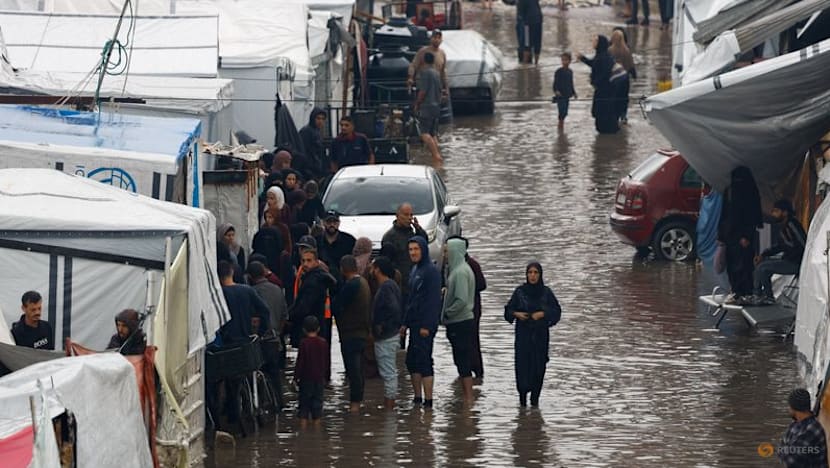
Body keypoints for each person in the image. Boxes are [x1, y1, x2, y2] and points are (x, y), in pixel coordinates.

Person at [504, 262, 562, 407]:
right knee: (522, 368)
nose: (533, 276)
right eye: (530, 272)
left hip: (540, 337)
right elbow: (508, 311)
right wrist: (517, 314)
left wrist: (543, 314)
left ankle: (535, 406)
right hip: (523, 337)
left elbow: (556, 311)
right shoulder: (519, 292)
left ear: (540, 275)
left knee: (538, 368)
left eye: (536, 273)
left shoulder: (546, 293)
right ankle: (522, 405)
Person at [402, 236, 442, 409]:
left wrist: (427, 325)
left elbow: (433, 301)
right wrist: (404, 323)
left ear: (423, 250)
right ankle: (417, 398)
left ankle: (429, 401)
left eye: (416, 249)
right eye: (410, 250)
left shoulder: (431, 272)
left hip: (425, 325)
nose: (413, 253)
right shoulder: (415, 270)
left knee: (424, 361)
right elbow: (411, 299)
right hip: (413, 324)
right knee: (411, 361)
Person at [332, 255, 372, 413]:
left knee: (353, 370)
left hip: (352, 333)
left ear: (343, 269)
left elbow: (337, 305)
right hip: (361, 333)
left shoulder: (352, 285)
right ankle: (358, 402)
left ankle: (354, 405)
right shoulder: (363, 282)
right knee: (359, 370)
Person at [719, 167, 763, 303]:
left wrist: (746, 235)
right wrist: (721, 235)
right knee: (734, 264)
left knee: (744, 264)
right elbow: (725, 214)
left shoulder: (747, 192)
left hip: (742, 236)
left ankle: (745, 292)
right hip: (731, 235)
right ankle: (737, 291)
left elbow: (751, 216)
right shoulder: (730, 191)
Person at [442, 238, 476, 405]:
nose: (444, 255)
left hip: (460, 321)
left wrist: (447, 313)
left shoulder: (461, 272)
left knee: (463, 361)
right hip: (460, 320)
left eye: (446, 251)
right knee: (461, 360)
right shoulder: (458, 270)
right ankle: (466, 397)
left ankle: (468, 398)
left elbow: (461, 300)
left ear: (455, 251)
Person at [752, 200, 807, 304]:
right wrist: (763, 255)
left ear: (785, 213)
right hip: (788, 259)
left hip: (795, 262)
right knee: (763, 267)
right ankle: (764, 295)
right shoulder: (783, 226)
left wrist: (794, 256)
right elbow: (780, 246)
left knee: (763, 268)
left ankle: (759, 295)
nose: (773, 214)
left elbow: (803, 243)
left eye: (776, 211)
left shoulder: (792, 224)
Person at [371, 256, 403, 409]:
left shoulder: (386, 287)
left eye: (373, 267)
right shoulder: (391, 285)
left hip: (386, 337)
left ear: (378, 269)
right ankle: (389, 406)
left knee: (388, 373)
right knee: (388, 372)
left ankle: (389, 408)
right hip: (390, 335)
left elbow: (393, 309)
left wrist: (381, 326)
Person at [381, 203, 428, 302]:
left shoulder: (412, 233)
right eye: (406, 215)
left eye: (411, 215)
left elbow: (424, 244)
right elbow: (387, 262)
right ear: (397, 216)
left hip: (414, 280)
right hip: (400, 284)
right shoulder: (390, 237)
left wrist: (418, 229)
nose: (409, 218)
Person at [577, 35, 619, 134]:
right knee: (600, 113)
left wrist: (596, 82)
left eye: (595, 40)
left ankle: (608, 134)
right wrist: (583, 59)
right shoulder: (601, 55)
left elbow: (605, 73)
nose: (593, 42)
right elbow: (594, 64)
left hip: (605, 91)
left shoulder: (605, 57)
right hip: (602, 90)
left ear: (600, 44)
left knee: (603, 113)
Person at [294, 315, 329, 428]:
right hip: (319, 379)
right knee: (317, 406)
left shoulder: (304, 343)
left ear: (304, 329)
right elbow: (327, 362)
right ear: (318, 328)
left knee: (304, 406)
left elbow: (300, 362)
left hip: (306, 380)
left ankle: (303, 431)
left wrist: (295, 377)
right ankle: (316, 431)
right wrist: (326, 377)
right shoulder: (323, 343)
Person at [778, 388, 828, 467]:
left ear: (794, 408)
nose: (788, 408)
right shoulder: (795, 424)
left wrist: (784, 449)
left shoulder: (811, 430)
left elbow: (790, 461)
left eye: (789, 406)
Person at [414, 52, 444, 162]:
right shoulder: (437, 73)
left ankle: (436, 156)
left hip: (427, 107)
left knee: (424, 133)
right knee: (433, 134)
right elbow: (440, 90)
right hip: (436, 106)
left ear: (424, 60)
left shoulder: (425, 73)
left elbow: (423, 91)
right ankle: (437, 156)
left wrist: (417, 104)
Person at [316, 210, 357, 286]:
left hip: (344, 282)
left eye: (335, 222)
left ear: (339, 223)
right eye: (329, 222)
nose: (332, 224)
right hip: (321, 281)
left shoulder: (349, 240)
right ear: (323, 222)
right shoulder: (317, 241)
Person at [407, 30, 449, 95]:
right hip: (423, 84)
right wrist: (410, 77)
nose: (437, 40)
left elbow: (443, 72)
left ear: (441, 40)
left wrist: (446, 88)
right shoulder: (423, 51)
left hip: (436, 86)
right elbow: (413, 65)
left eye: (439, 38)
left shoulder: (442, 53)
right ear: (431, 39)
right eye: (435, 37)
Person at [608, 29, 636, 123]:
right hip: (625, 79)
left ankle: (615, 115)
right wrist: (634, 75)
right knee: (624, 98)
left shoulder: (609, 50)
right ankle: (623, 115)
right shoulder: (626, 50)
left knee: (614, 97)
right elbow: (631, 65)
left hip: (613, 79)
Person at [298, 108, 327, 180]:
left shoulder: (317, 132)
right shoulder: (306, 131)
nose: (320, 121)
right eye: (318, 118)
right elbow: (304, 150)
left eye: (323, 119)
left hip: (316, 168)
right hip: (309, 169)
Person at [552, 52, 577, 130]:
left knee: (565, 112)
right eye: (563, 60)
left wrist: (574, 92)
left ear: (570, 61)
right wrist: (556, 91)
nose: (564, 62)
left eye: (566, 60)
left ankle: (561, 126)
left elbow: (571, 83)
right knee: (561, 112)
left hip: (567, 94)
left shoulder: (570, 71)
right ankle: (560, 127)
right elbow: (555, 83)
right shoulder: (558, 71)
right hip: (560, 95)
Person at [517, 0, 543, 64]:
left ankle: (525, 66)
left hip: (528, 23)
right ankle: (536, 64)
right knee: (537, 44)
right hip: (538, 20)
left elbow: (520, 13)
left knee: (527, 45)